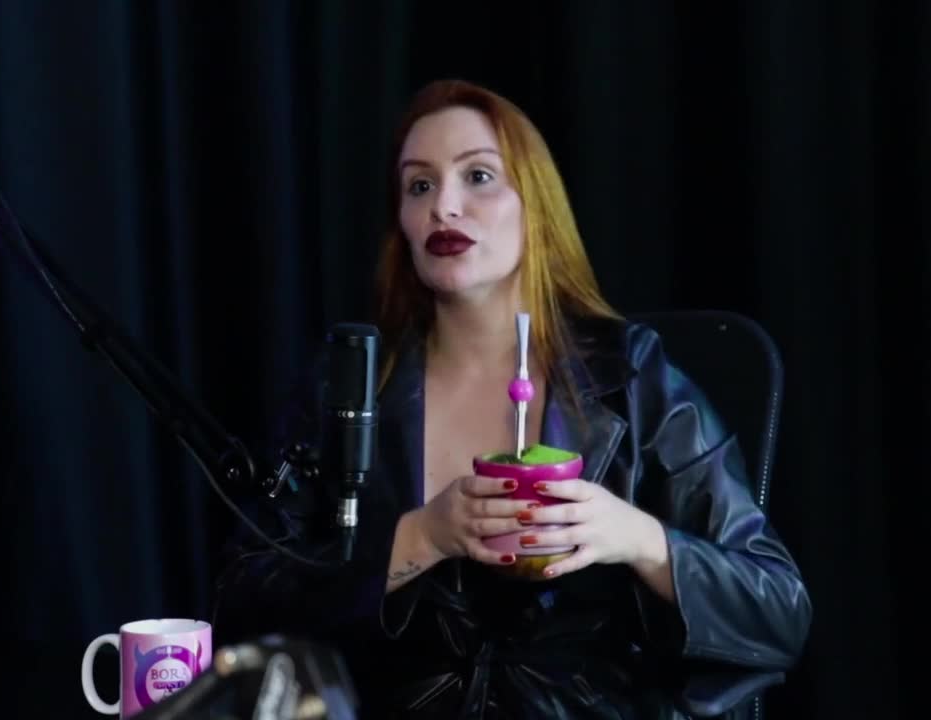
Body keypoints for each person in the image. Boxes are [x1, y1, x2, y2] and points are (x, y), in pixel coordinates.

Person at [213, 78, 811, 719]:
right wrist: (422, 536)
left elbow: (778, 610)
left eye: (478, 176)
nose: (444, 207)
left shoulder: (633, 377)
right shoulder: (352, 387)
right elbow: (241, 608)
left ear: (536, 205)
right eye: (420, 186)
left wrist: (634, 536)